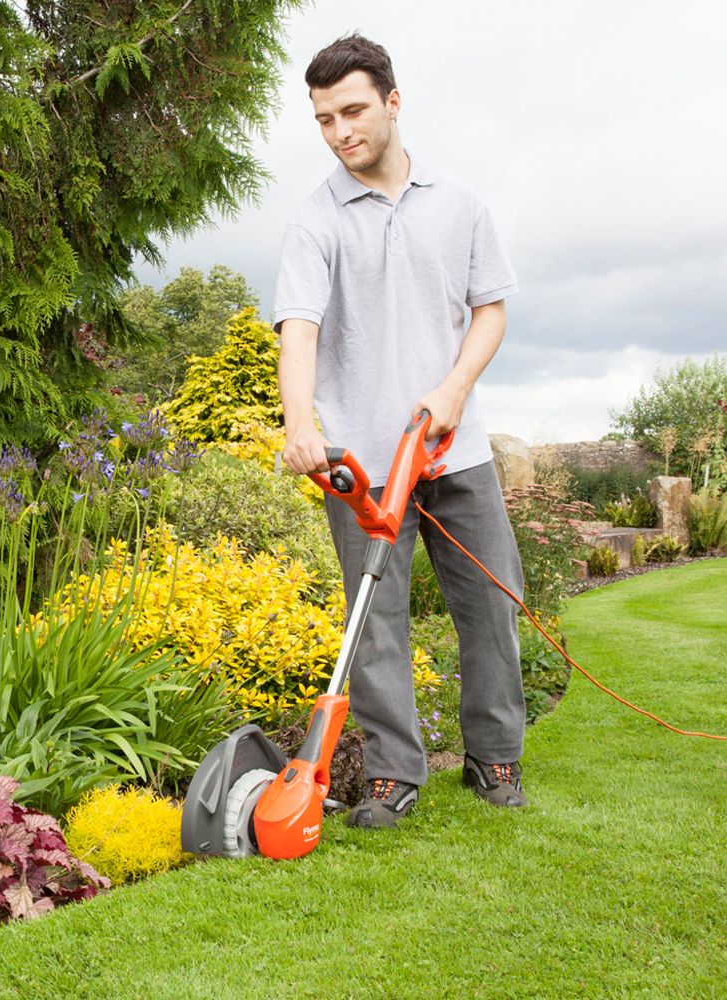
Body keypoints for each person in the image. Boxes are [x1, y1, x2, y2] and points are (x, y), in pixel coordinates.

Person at [273, 33, 528, 829]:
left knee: (491, 607)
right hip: (365, 466)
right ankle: (391, 774)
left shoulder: (460, 203)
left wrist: (455, 388)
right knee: (373, 621)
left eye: (352, 110)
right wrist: (299, 423)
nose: (340, 131)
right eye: (323, 119)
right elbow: (300, 327)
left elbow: (490, 309)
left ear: (391, 100)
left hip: (456, 448)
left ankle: (494, 757)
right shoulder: (318, 220)